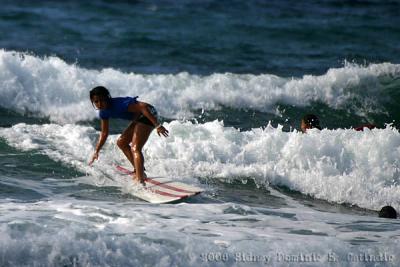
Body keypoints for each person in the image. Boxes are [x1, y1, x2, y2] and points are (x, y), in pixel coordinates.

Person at [88, 86, 168, 184]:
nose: (99, 104)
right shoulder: (103, 112)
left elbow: (143, 107)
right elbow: (104, 133)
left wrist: (158, 125)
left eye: (102, 100)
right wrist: (96, 151)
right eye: (96, 101)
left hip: (148, 113)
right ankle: (139, 170)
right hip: (139, 117)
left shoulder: (119, 104)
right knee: (121, 142)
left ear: (107, 98)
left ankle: (140, 179)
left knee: (135, 148)